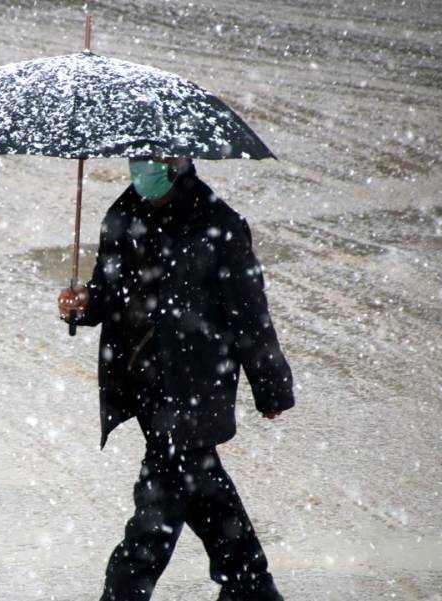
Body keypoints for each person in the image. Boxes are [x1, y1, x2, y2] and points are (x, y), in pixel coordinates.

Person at [57, 156, 295, 601]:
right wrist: (83, 303)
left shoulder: (218, 225)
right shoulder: (122, 217)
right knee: (206, 494)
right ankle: (253, 591)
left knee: (154, 519)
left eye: (153, 158)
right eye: (137, 158)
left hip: (195, 387)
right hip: (143, 385)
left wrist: (271, 384)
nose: (142, 167)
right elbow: (108, 295)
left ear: (179, 161)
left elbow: (250, 315)